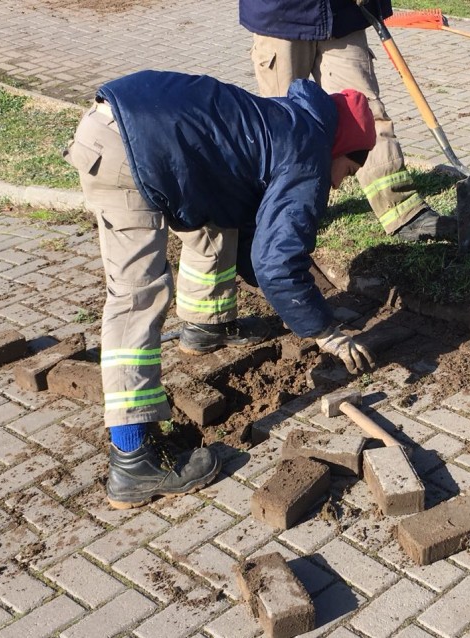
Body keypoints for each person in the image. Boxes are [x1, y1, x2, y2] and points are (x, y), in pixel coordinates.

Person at [64, 70, 376, 509]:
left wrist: (297, 291)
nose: (342, 183)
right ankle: (133, 460)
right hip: (128, 151)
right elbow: (276, 262)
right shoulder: (308, 153)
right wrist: (323, 330)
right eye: (348, 169)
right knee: (137, 296)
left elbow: (255, 238)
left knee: (215, 224)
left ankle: (205, 328)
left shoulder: (291, 121)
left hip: (127, 123)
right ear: (340, 148)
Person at [240, 0, 458, 243]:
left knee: (365, 114)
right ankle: (283, 219)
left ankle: (402, 210)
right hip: (282, 15)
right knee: (285, 132)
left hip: (343, 14)